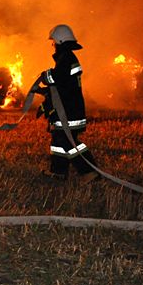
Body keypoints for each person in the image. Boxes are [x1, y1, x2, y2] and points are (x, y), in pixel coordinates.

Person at [35, 24, 98, 184]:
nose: (53, 45)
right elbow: (63, 85)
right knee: (58, 142)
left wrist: (45, 75)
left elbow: (57, 78)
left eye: (54, 42)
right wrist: (43, 92)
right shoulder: (67, 58)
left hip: (68, 111)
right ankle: (58, 172)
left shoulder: (66, 59)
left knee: (67, 141)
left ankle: (89, 171)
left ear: (60, 41)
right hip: (68, 109)